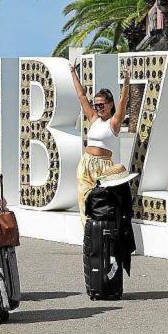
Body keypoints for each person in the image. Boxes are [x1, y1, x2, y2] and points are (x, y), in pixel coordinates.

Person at [72, 64, 130, 225]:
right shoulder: (94, 118)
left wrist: (126, 82)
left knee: (103, 202)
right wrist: (73, 73)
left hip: (104, 166)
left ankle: (103, 233)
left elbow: (123, 102)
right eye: (96, 105)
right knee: (84, 201)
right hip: (86, 163)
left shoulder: (114, 122)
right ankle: (88, 234)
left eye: (101, 105)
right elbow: (81, 96)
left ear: (110, 104)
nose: (98, 108)